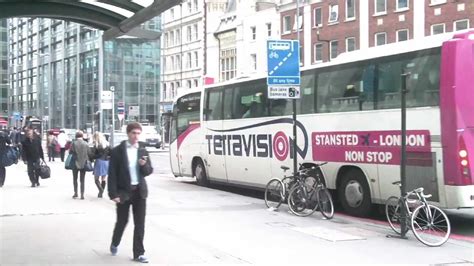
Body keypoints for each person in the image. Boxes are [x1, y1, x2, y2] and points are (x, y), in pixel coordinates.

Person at [108, 122, 153, 263]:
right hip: (123, 192)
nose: (136, 136)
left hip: (139, 192)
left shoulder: (143, 151)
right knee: (122, 221)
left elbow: (148, 171)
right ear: (128, 133)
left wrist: (144, 165)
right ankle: (115, 242)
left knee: (140, 223)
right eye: (133, 133)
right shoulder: (117, 151)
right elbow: (112, 174)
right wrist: (113, 194)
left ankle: (138, 253)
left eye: (138, 133)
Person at [69, 131, 89, 199]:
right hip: (83, 163)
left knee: (75, 179)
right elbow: (89, 153)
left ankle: (76, 193)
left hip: (75, 163)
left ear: (76, 136)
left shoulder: (73, 143)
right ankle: (82, 194)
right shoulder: (86, 143)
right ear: (82, 136)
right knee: (82, 180)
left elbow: (70, 152)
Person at [91, 132, 110, 198]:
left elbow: (93, 155)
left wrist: (93, 157)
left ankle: (101, 190)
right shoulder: (107, 144)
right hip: (106, 162)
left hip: (99, 162)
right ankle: (101, 193)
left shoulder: (97, 145)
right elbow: (110, 154)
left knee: (96, 178)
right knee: (103, 178)